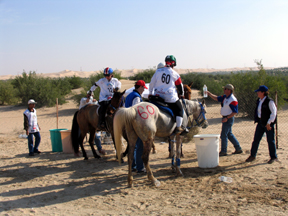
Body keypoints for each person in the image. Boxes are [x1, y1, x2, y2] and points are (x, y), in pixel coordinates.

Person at [149, 55, 188, 135]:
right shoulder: (175, 74)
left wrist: (150, 93)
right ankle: (178, 127)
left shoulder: (158, 71)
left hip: (157, 96)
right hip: (170, 98)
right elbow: (180, 86)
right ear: (173, 64)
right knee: (180, 109)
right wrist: (182, 94)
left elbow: (151, 83)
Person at [206, 84, 242, 156]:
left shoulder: (232, 99)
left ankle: (223, 151)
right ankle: (238, 148)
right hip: (226, 118)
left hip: (228, 118)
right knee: (229, 134)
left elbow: (235, 112)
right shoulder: (225, 97)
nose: (224, 90)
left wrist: (227, 118)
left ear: (229, 90)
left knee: (224, 135)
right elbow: (216, 98)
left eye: (225, 89)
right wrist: (209, 94)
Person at [245, 85, 278, 164]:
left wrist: (269, 123)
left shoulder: (269, 101)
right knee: (256, 139)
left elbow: (274, 113)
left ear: (263, 92)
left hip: (268, 124)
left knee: (270, 140)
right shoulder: (259, 100)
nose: (257, 93)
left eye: (258, 91)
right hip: (260, 123)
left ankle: (273, 157)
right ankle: (252, 155)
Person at [125, 80, 148, 173]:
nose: (143, 90)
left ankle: (132, 166)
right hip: (135, 124)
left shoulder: (129, 96)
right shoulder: (137, 97)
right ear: (140, 87)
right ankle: (139, 167)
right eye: (143, 88)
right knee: (139, 146)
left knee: (132, 146)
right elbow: (136, 111)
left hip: (128, 123)